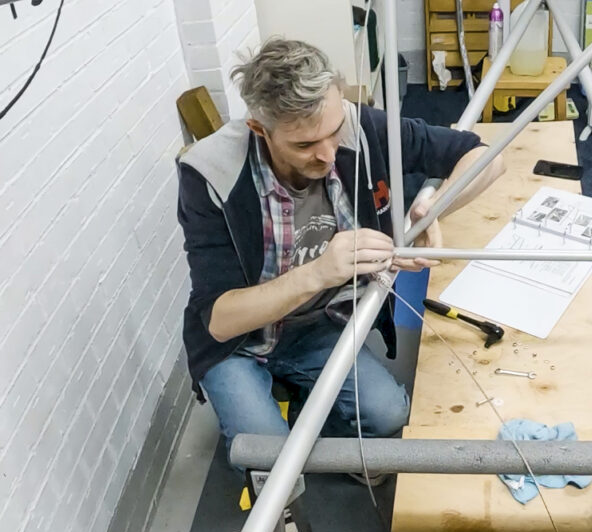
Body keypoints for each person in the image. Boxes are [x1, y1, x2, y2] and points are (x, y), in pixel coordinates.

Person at [176, 37, 505, 472]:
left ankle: (310, 409)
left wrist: (433, 207)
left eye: (333, 134)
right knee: (269, 463)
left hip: (318, 326)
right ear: (260, 129)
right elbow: (219, 321)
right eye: (305, 145)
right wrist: (318, 273)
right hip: (240, 342)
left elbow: (486, 157)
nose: (329, 155)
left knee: (389, 414)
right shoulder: (211, 172)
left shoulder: (355, 124)